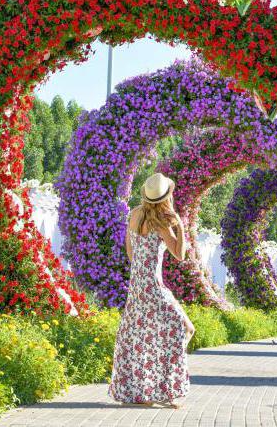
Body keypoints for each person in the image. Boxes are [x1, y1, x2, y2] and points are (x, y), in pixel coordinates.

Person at [109, 173, 196, 408]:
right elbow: (179, 255)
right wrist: (180, 225)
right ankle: (166, 390)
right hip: (154, 287)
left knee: (142, 337)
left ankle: (145, 393)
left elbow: (130, 251)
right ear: (166, 196)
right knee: (185, 328)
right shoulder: (162, 222)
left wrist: (140, 273)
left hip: (136, 286)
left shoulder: (135, 214)